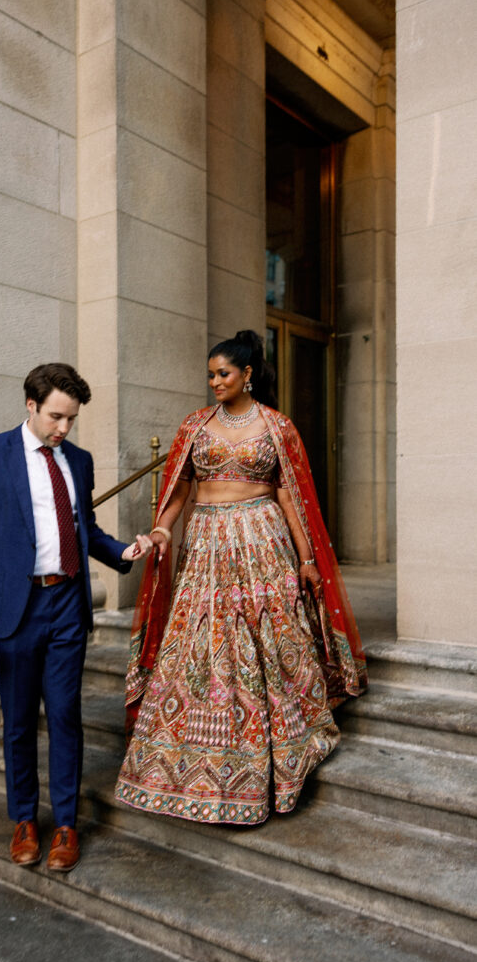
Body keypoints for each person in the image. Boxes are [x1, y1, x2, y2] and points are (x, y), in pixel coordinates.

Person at [115, 331, 367, 825]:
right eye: (210, 375)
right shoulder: (195, 426)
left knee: (264, 640)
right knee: (199, 644)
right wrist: (162, 531)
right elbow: (180, 489)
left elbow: (290, 496)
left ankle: (270, 751)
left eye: (223, 374)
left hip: (261, 540)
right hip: (205, 544)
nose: (214, 383)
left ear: (247, 375)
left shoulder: (277, 427)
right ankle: (185, 762)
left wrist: (306, 558)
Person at [0, 363, 152, 871]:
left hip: (66, 604)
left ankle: (64, 825)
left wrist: (123, 552)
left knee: (63, 716)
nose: (63, 428)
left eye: (72, 419)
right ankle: (22, 819)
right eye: (57, 416)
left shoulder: (77, 461)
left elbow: (87, 529)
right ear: (31, 405)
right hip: (17, 608)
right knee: (18, 722)